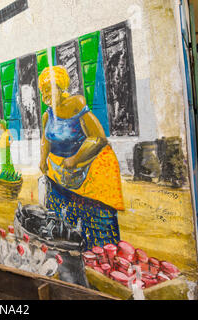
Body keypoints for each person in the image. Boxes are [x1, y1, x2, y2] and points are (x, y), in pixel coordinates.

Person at [38, 66, 124, 250]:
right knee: (63, 220)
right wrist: (42, 160)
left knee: (93, 224)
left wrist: (75, 159)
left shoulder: (76, 105)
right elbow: (45, 141)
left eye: (48, 89)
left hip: (85, 172)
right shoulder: (48, 115)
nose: (44, 95)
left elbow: (99, 138)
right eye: (42, 91)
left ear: (61, 87)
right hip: (61, 174)